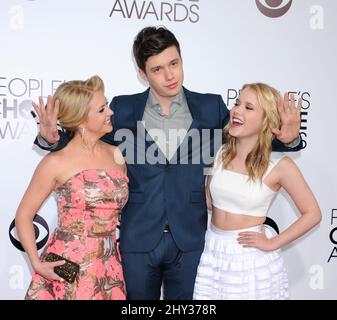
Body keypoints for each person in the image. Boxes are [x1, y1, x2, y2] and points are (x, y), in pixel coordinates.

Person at [34, 27, 303, 299]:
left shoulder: (211, 108)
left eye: (174, 63)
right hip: (138, 238)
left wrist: (289, 141)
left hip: (191, 240)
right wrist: (50, 140)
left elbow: (248, 139)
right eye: (157, 69)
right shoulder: (123, 109)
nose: (170, 75)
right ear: (142, 73)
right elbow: (84, 140)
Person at [193, 83, 321, 300]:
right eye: (237, 103)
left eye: (248, 107)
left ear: (266, 121)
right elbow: (209, 201)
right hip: (212, 251)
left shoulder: (280, 165)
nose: (236, 110)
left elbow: (313, 214)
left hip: (250, 256)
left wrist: (273, 243)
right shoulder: (221, 153)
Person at [16, 75, 128, 300]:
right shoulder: (55, 162)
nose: (111, 112)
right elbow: (23, 216)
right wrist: (36, 264)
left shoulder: (116, 155)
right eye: (102, 109)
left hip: (109, 263)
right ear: (81, 119)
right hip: (67, 262)